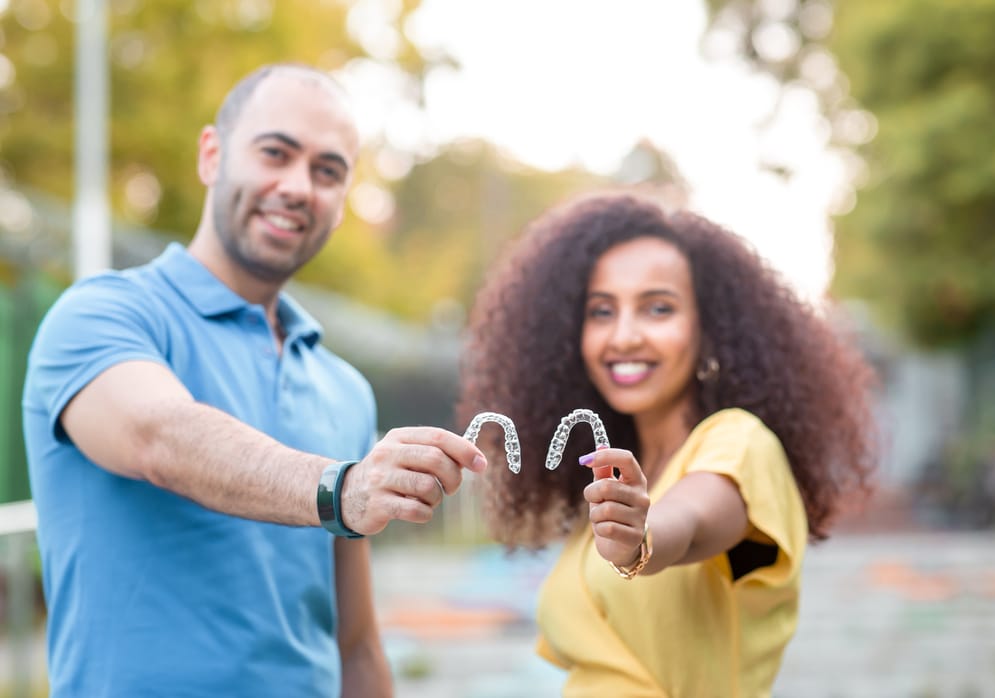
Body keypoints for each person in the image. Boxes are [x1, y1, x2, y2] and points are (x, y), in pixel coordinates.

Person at [22, 63, 486, 698]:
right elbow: (159, 436)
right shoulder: (101, 315)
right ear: (211, 155)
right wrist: (341, 488)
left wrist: (349, 493)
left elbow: (354, 643)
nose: (298, 187)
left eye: (327, 171)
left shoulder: (344, 389)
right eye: (275, 153)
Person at [456, 191, 878, 697]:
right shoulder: (615, 476)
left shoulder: (739, 442)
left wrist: (642, 536)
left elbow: (689, 521)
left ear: (712, 328)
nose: (624, 336)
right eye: (601, 311)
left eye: (658, 308)